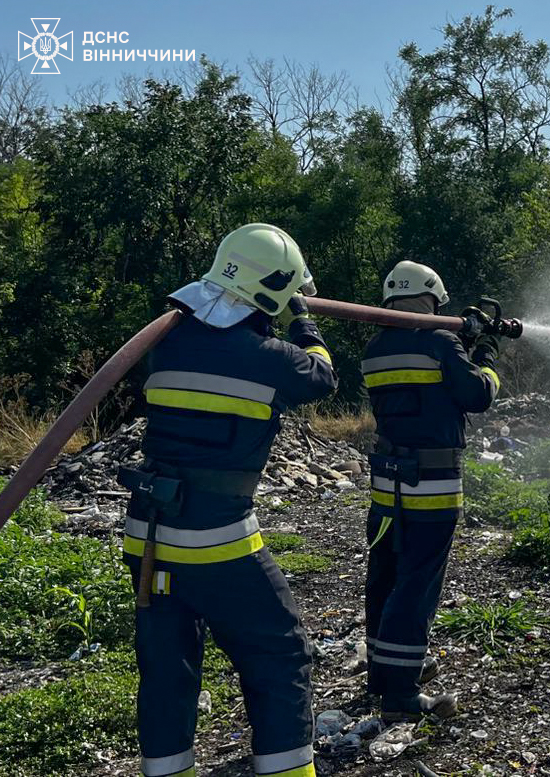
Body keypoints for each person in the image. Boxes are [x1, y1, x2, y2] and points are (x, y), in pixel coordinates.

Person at [119, 223, 338, 777]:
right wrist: (303, 321)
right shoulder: (269, 356)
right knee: (280, 653)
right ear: (277, 290)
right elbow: (321, 376)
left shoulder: (165, 340)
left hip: (147, 537)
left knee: (168, 671)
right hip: (214, 542)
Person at [361, 260, 502, 721]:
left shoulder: (375, 348)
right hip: (433, 488)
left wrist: (461, 341)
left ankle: (384, 672)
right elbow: (477, 395)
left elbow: (424, 394)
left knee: (385, 572)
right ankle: (400, 695)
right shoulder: (440, 341)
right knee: (416, 584)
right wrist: (486, 353)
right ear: (434, 297)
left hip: (386, 488)